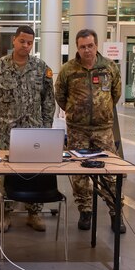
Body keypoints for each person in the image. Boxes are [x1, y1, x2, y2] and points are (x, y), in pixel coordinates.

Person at [0, 25, 55, 232]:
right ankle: (4, 212)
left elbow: (48, 101)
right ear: (14, 40)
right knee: (5, 175)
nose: (26, 46)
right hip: (5, 134)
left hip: (34, 132)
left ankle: (34, 213)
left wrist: (46, 128)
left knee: (35, 171)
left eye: (30, 42)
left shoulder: (41, 68)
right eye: (22, 41)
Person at [55, 29, 125, 233]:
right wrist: (76, 111)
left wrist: (102, 111)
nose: (87, 50)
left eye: (90, 46)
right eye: (83, 46)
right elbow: (60, 95)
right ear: (77, 48)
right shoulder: (68, 70)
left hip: (104, 130)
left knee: (110, 172)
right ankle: (85, 211)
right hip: (77, 130)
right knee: (79, 174)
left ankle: (115, 213)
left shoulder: (109, 67)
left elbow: (116, 93)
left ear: (96, 45)